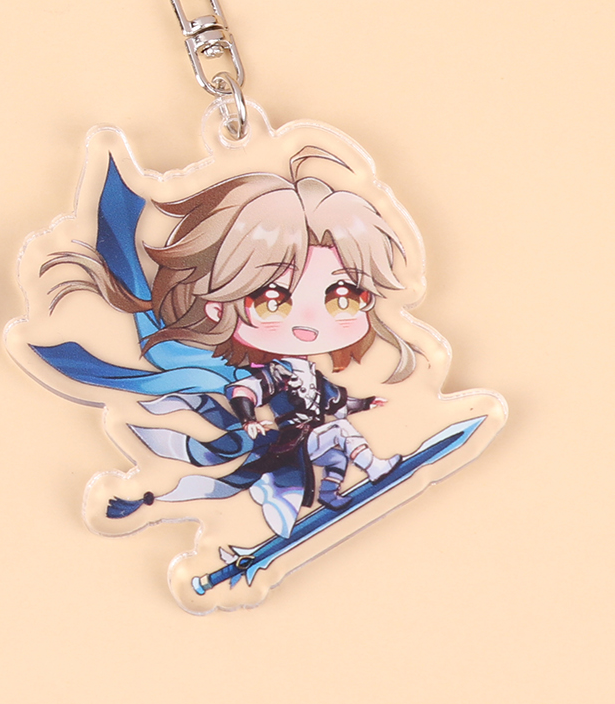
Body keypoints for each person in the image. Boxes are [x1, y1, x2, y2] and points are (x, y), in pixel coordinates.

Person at [36, 148, 416, 539]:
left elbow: (334, 400)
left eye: (343, 296)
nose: (308, 323)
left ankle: (332, 492)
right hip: (287, 442)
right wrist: (249, 420)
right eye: (271, 301)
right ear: (217, 307)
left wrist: (367, 403)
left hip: (299, 441)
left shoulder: (304, 370)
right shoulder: (276, 372)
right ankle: (374, 468)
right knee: (336, 439)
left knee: (334, 452)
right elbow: (244, 392)